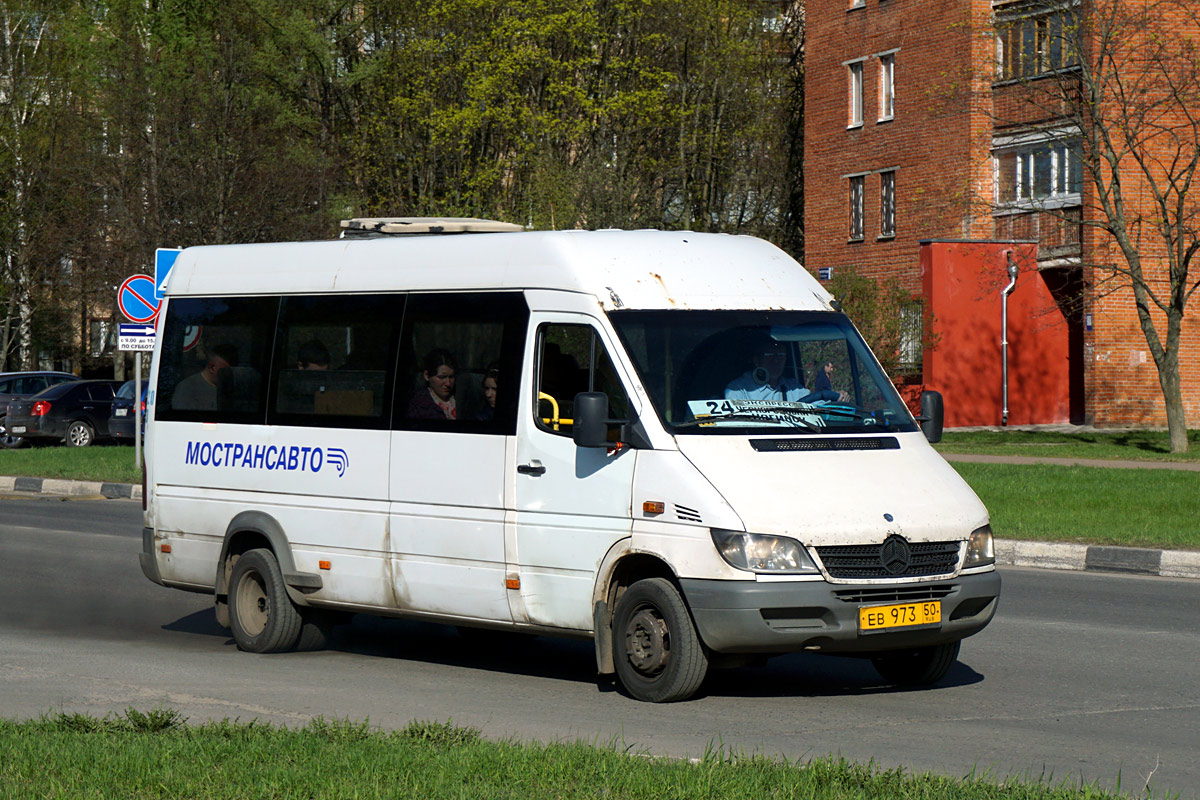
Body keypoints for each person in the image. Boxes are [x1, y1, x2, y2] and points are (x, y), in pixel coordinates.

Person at [724, 339, 808, 402]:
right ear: (756, 360)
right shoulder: (738, 389)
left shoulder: (794, 388)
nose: (776, 360)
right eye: (770, 355)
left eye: (781, 355)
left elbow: (816, 406)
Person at [172, 344, 238, 411]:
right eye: (225, 371)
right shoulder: (186, 388)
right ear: (212, 368)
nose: (229, 375)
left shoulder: (230, 389)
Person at [407, 348, 457, 420]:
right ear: (427, 376)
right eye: (442, 377)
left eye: (451, 377)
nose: (448, 383)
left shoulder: (462, 399)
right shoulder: (419, 406)